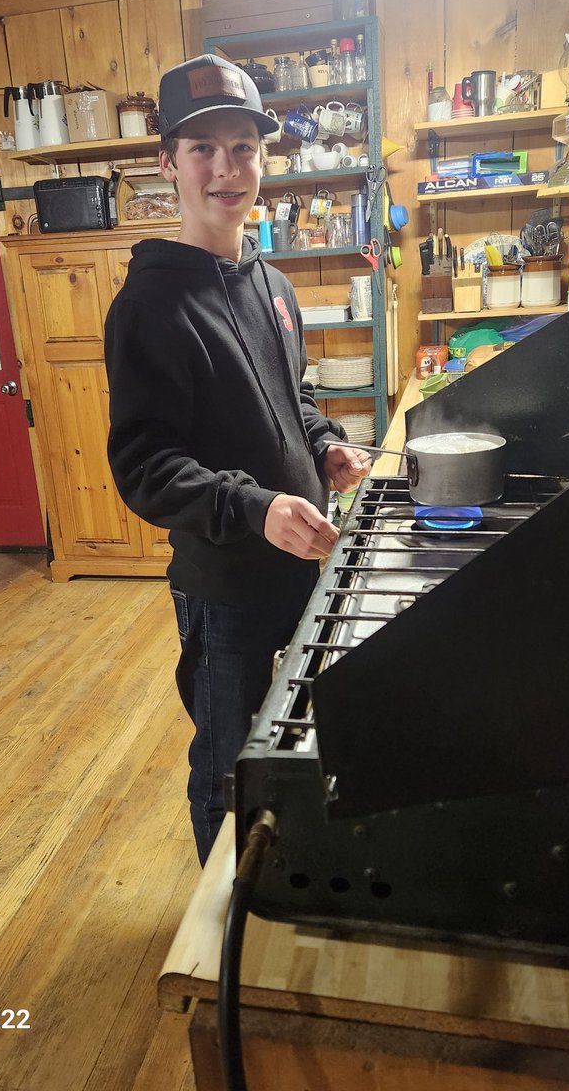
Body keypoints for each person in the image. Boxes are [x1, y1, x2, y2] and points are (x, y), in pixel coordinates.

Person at [104, 54, 370, 864]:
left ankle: (282, 888)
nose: (226, 168)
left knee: (291, 749)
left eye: (243, 148)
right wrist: (256, 508)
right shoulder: (147, 305)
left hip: (303, 566)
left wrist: (325, 449)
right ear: (167, 164)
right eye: (202, 149)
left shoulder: (274, 285)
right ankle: (221, 935)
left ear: (264, 158)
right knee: (227, 767)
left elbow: (292, 403)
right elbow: (145, 466)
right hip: (225, 591)